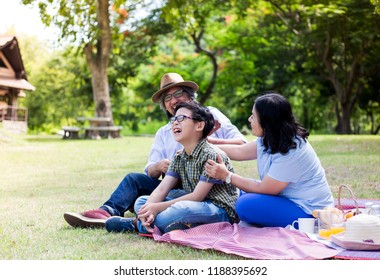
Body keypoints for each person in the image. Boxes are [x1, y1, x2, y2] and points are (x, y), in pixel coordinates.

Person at [64, 73, 246, 228]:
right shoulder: (165, 132)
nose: (173, 100)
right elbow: (151, 172)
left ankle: (139, 223)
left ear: (191, 97)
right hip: (176, 185)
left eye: (178, 94)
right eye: (168, 98)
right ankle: (106, 212)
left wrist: (207, 140)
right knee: (135, 186)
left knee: (176, 208)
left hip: (207, 186)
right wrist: (159, 166)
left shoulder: (208, 117)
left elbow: (242, 144)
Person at [105, 101, 239, 234]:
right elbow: (163, 188)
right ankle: (158, 223)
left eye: (181, 118)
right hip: (193, 202)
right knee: (142, 201)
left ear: (199, 125)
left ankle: (136, 224)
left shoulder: (211, 155)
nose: (175, 122)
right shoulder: (179, 156)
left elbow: (197, 196)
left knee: (182, 209)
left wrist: (157, 207)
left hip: (219, 209)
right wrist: (149, 208)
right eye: (174, 119)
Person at [205, 92, 334, 228]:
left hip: (308, 211)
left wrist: (227, 176)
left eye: (253, 116)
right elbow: (240, 151)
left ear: (267, 122)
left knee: (244, 205)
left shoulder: (293, 150)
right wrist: (206, 146)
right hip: (284, 198)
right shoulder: (270, 137)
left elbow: (264, 188)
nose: (249, 119)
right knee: (236, 191)